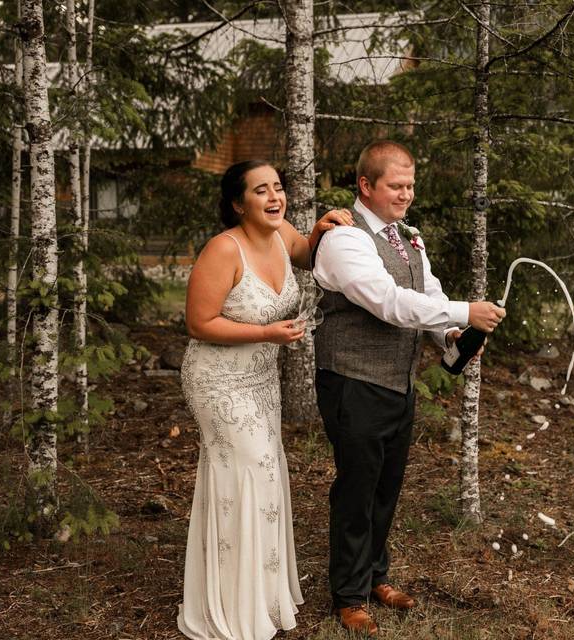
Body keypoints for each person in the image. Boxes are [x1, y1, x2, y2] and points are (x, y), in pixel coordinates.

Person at [312, 140, 506, 635]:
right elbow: (387, 302)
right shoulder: (344, 239)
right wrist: (467, 310)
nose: (406, 195)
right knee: (356, 489)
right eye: (396, 186)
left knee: (385, 486)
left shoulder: (408, 236)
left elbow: (426, 293)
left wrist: (450, 333)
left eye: (411, 186)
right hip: (352, 380)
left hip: (397, 382)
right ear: (366, 186)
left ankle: (376, 576)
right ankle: (349, 595)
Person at [178, 160, 354, 640]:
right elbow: (198, 322)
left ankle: (260, 594)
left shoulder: (281, 235)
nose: (275, 197)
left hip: (259, 379)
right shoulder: (223, 248)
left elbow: (307, 253)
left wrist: (322, 226)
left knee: (265, 471)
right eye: (261, 191)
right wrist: (266, 332)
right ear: (239, 203)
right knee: (246, 472)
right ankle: (232, 606)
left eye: (278, 187)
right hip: (218, 380)